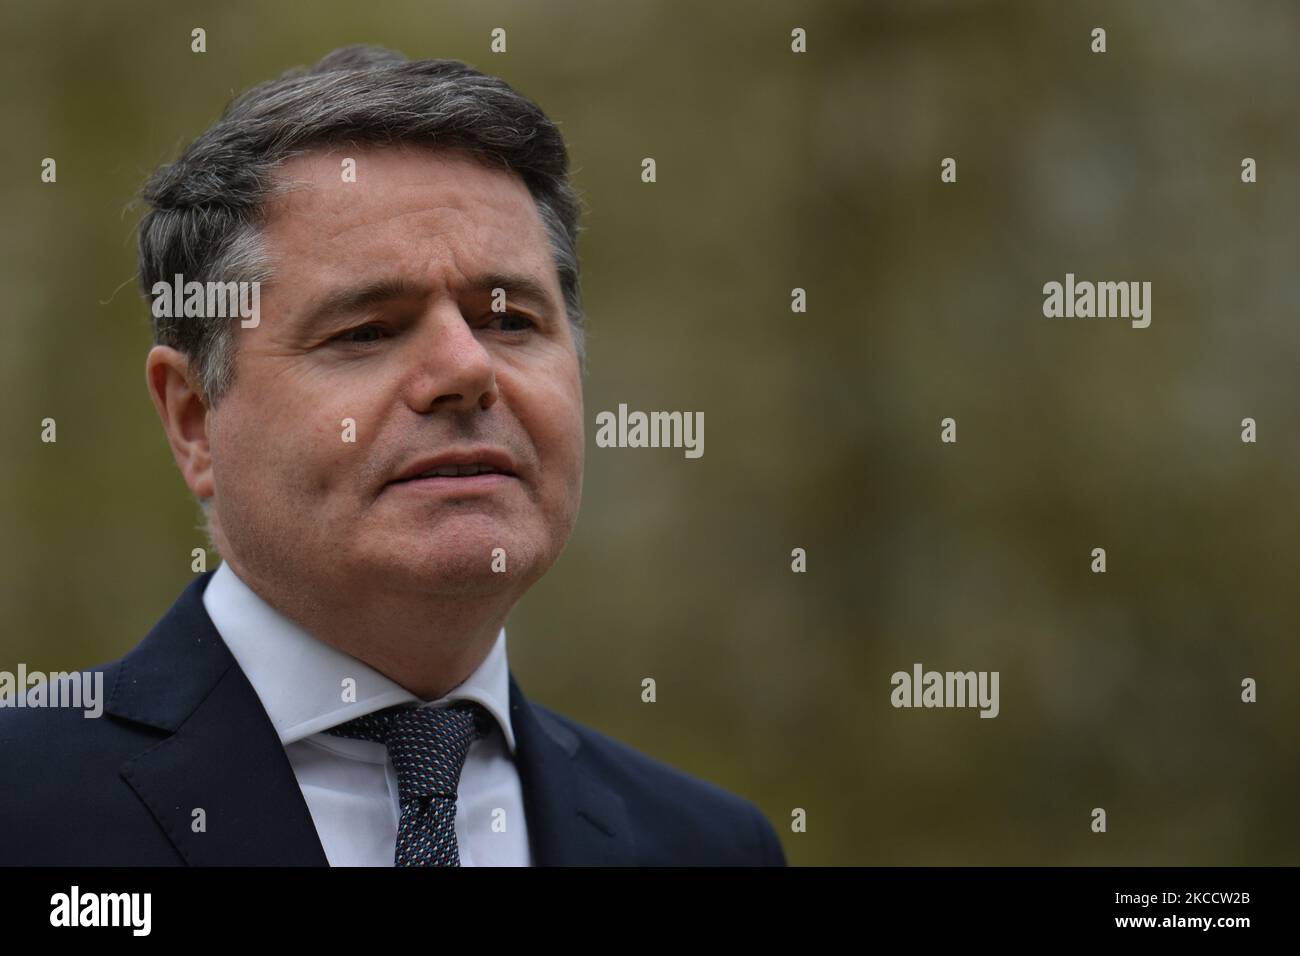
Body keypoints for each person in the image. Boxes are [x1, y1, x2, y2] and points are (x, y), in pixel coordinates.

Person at [0, 45, 786, 867]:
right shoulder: (23, 808)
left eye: (511, 320)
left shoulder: (708, 845)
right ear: (196, 420)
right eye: (366, 331)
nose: (467, 370)